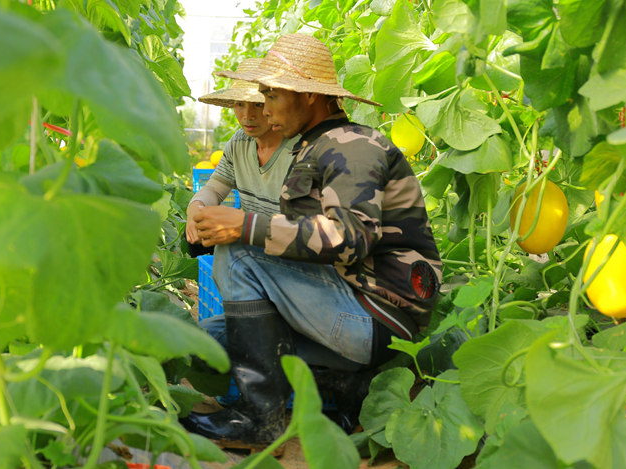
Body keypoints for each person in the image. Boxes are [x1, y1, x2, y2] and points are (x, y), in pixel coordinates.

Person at [182, 34, 443, 446]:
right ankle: (346, 385)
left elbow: (351, 238)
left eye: (271, 95)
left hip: (376, 315)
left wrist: (244, 228)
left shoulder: (353, 146)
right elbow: (304, 248)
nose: (263, 108)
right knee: (213, 338)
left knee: (239, 252)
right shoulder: (314, 146)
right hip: (343, 304)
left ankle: (258, 419)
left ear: (307, 96)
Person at [187, 57, 296, 343]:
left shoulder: (297, 150)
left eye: (258, 105)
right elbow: (213, 189)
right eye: (240, 105)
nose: (248, 115)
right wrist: (196, 207)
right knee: (203, 342)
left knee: (230, 247)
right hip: (251, 269)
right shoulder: (240, 142)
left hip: (292, 266)